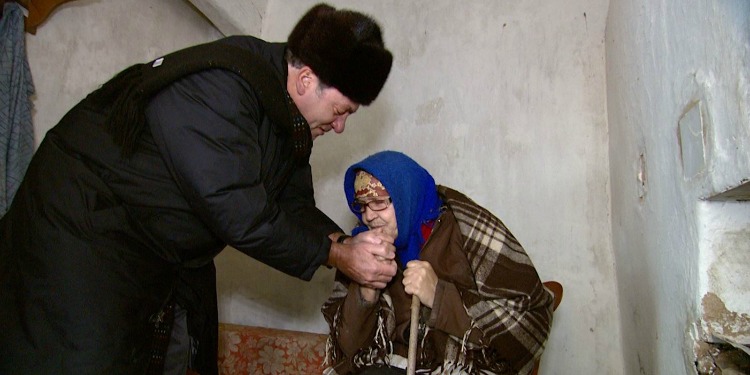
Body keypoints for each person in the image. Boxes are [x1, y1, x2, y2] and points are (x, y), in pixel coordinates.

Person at [0, 3, 398, 375]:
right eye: (342, 111)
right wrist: (339, 255)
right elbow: (241, 214)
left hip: (154, 252)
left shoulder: (287, 124)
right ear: (307, 79)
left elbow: (291, 207)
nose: (341, 126)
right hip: (79, 227)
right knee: (81, 357)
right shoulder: (223, 87)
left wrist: (346, 243)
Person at [322, 151, 554, 375]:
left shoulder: (465, 230)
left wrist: (439, 296)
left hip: (464, 366)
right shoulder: (364, 248)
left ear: (406, 196)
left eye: (379, 202)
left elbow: (531, 322)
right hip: (394, 364)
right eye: (362, 206)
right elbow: (348, 350)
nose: (369, 216)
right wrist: (365, 290)